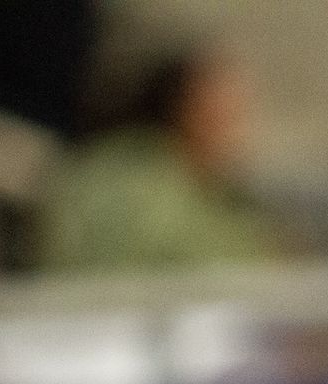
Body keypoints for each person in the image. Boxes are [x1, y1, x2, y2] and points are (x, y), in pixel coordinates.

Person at [35, 42, 277, 273]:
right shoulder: (131, 182)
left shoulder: (215, 190)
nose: (236, 130)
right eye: (223, 112)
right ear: (183, 108)